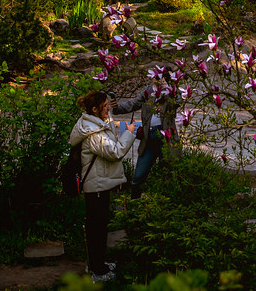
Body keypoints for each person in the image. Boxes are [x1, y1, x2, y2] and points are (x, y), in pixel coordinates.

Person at [70, 90, 135, 284]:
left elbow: (107, 123)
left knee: (99, 227)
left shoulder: (93, 124)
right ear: (95, 109)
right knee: (96, 230)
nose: (109, 108)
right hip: (96, 188)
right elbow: (115, 152)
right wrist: (129, 134)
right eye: (105, 106)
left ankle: (100, 264)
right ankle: (98, 272)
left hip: (99, 185)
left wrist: (111, 117)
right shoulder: (93, 133)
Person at [112, 86, 177, 198]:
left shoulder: (171, 91)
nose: (159, 80)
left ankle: (168, 206)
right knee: (139, 175)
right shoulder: (149, 91)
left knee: (169, 175)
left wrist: (171, 87)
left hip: (166, 138)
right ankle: (134, 203)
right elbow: (132, 104)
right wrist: (117, 107)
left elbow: (179, 101)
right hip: (149, 138)